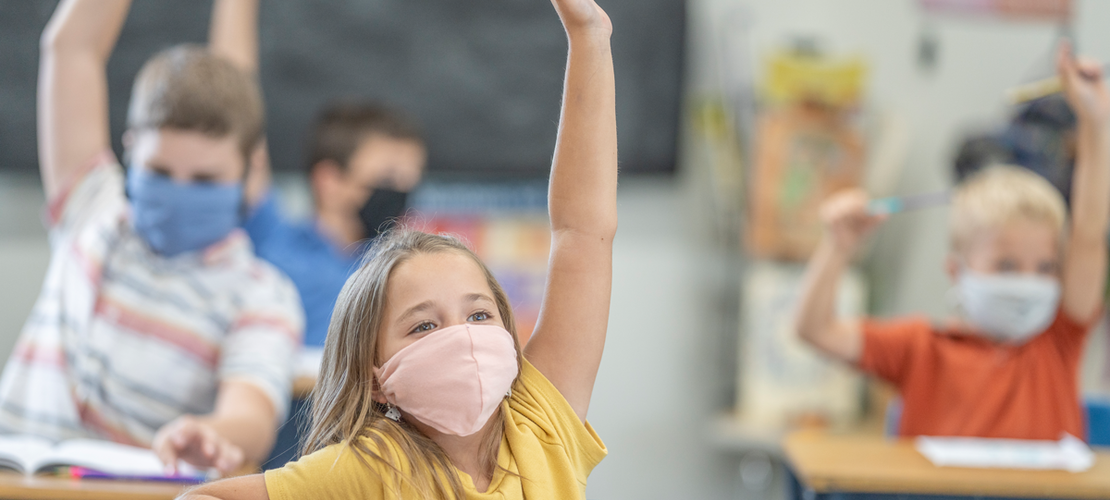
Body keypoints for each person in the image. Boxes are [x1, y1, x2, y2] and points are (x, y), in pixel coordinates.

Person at [180, 0, 616, 497]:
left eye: (480, 316)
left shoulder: (542, 427)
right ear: (376, 376)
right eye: (424, 326)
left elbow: (583, 234)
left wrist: (590, 36)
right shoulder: (372, 469)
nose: (464, 342)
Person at [0, 0, 304, 474]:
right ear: (130, 151)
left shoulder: (262, 295)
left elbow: (252, 413)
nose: (179, 191)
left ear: (249, 171)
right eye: (159, 171)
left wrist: (215, 433)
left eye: (205, 180)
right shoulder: (92, 208)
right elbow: (69, 48)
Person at [794, 43, 1109, 440]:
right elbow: (815, 330)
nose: (1028, 280)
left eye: (1046, 267)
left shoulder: (1059, 340)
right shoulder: (920, 348)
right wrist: (837, 246)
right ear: (955, 269)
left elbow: (1089, 231)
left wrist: (1095, 124)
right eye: (1006, 265)